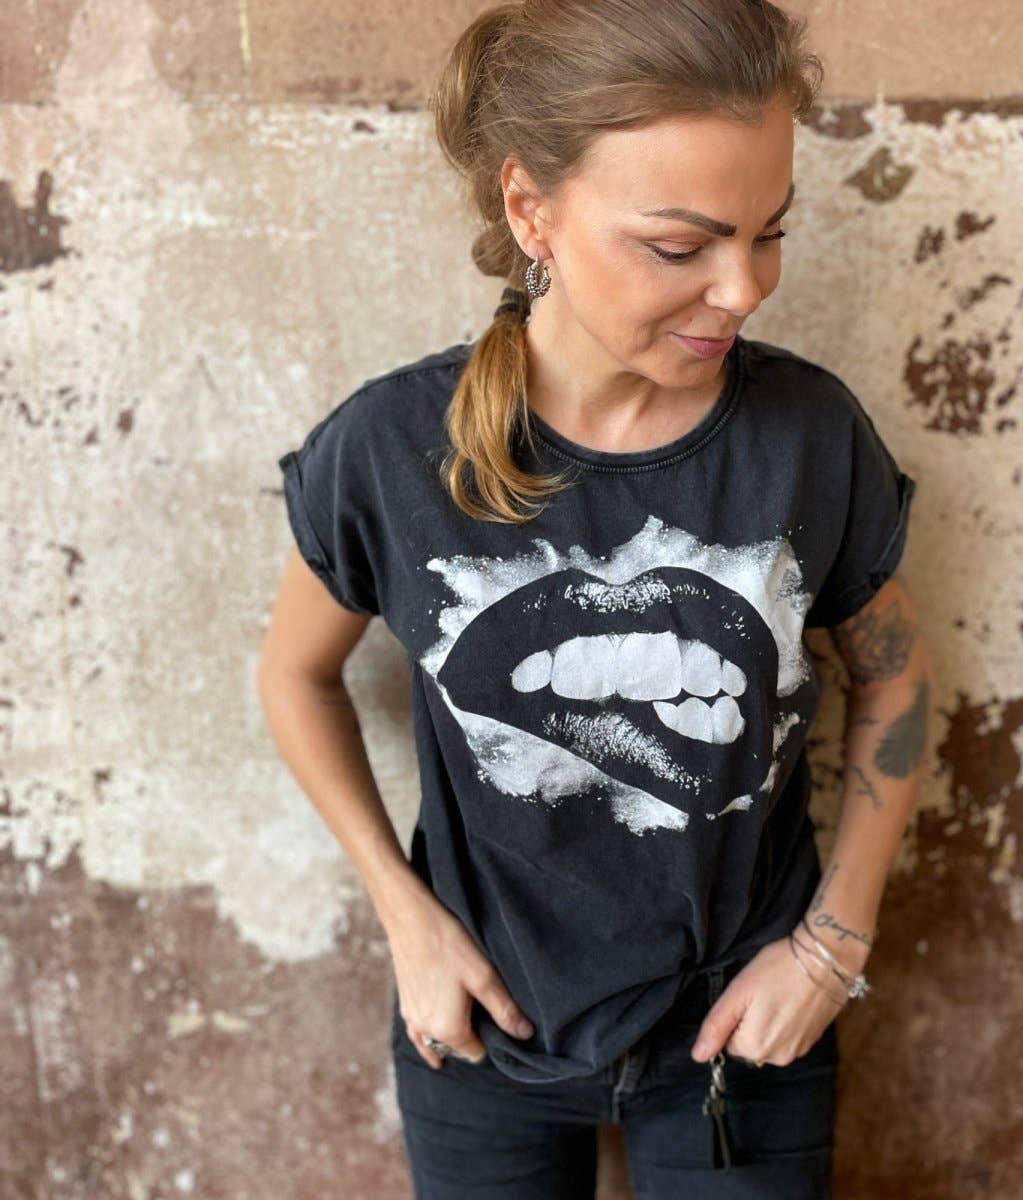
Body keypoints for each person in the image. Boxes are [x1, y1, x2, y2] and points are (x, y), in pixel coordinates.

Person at [257, 0, 932, 1195]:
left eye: (771, 231)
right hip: (478, 1039)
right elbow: (294, 676)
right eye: (680, 247)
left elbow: (896, 678)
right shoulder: (389, 451)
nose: (744, 288)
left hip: (746, 1045)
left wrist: (835, 944)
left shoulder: (810, 438)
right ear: (532, 210)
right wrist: (407, 919)